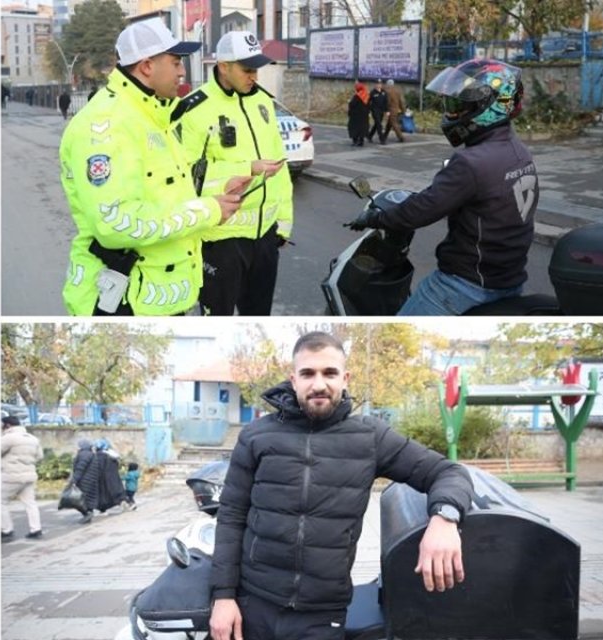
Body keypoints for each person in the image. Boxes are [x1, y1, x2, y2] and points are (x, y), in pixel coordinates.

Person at [208, 331, 474, 640]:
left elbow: (447, 472)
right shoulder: (256, 436)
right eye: (308, 373)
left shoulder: (370, 437)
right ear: (293, 380)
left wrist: (445, 519)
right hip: (253, 606)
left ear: (345, 379)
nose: (319, 384)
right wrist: (222, 597)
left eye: (329, 373)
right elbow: (231, 517)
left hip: (321, 616)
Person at [60, 19, 245, 316]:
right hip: (121, 300)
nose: (182, 72)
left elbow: (165, 193)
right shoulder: (107, 125)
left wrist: (216, 195)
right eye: (176, 62)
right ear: (147, 66)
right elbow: (116, 222)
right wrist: (206, 211)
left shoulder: (154, 115)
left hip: (159, 295)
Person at [347, 59, 537, 315]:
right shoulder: (519, 151)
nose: (452, 113)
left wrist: (376, 218)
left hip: (465, 284)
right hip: (509, 279)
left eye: (460, 105)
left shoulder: (471, 162)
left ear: (488, 105)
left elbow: (422, 210)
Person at [171, 30, 291, 317]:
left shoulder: (262, 101)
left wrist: (283, 224)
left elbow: (280, 166)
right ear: (224, 67)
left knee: (259, 319)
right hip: (220, 240)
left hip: (265, 237)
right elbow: (183, 176)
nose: (254, 77)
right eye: (247, 70)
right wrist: (246, 168)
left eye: (256, 69)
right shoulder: (194, 109)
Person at [1, 416, 44, 539]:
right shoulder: (33, 439)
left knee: (0, 501)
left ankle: (6, 530)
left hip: (11, 476)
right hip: (29, 476)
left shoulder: (8, 438)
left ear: (7, 425)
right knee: (30, 503)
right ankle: (36, 529)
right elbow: (40, 457)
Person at [70, 438, 101, 523]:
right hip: (91, 480)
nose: (77, 447)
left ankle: (87, 514)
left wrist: (74, 480)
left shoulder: (84, 454)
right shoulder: (91, 454)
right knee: (88, 499)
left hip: (84, 481)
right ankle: (88, 514)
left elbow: (80, 469)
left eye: (79, 445)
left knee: (79, 500)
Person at [383, 78, 406, 142]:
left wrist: (385, 109)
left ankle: (401, 137)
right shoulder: (397, 91)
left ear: (388, 84)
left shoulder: (388, 91)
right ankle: (384, 136)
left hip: (391, 110)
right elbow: (401, 101)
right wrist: (403, 110)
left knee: (394, 123)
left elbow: (388, 102)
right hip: (396, 110)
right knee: (389, 124)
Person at [347, 81, 370, 146]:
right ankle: (361, 141)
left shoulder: (357, 96)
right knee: (362, 128)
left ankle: (355, 141)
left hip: (355, 115)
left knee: (354, 127)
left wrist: (349, 102)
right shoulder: (366, 95)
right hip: (364, 115)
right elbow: (368, 105)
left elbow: (352, 104)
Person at [368, 79, 388, 143]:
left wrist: (387, 111)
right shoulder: (372, 92)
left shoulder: (384, 92)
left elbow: (386, 102)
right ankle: (382, 139)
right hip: (375, 110)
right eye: (377, 84)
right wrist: (369, 111)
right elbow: (368, 102)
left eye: (380, 84)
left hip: (381, 111)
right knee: (379, 124)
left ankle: (369, 136)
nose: (378, 85)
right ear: (375, 85)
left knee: (377, 124)